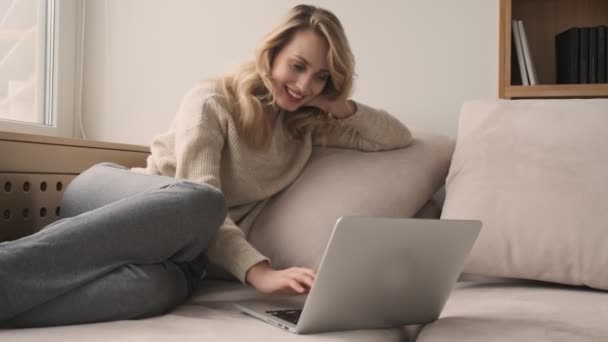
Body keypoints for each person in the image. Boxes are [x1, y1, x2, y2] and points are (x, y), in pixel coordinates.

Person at [0, 4, 411, 328]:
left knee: (161, 290)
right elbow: (198, 196)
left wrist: (333, 102)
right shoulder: (214, 99)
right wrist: (258, 271)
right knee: (201, 202)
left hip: (177, 253)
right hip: (112, 195)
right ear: (272, 53)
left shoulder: (304, 127)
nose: (305, 85)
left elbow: (396, 136)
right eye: (297, 66)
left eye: (321, 77)